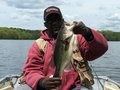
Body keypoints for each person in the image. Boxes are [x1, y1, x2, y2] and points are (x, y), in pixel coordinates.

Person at [21, 6, 108, 90]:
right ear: (45, 24)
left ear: (62, 21)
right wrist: (41, 82)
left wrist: (88, 33)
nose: (55, 22)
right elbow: (31, 70)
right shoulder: (38, 45)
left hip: (77, 86)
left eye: (57, 19)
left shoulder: (78, 38)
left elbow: (100, 49)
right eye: (50, 20)